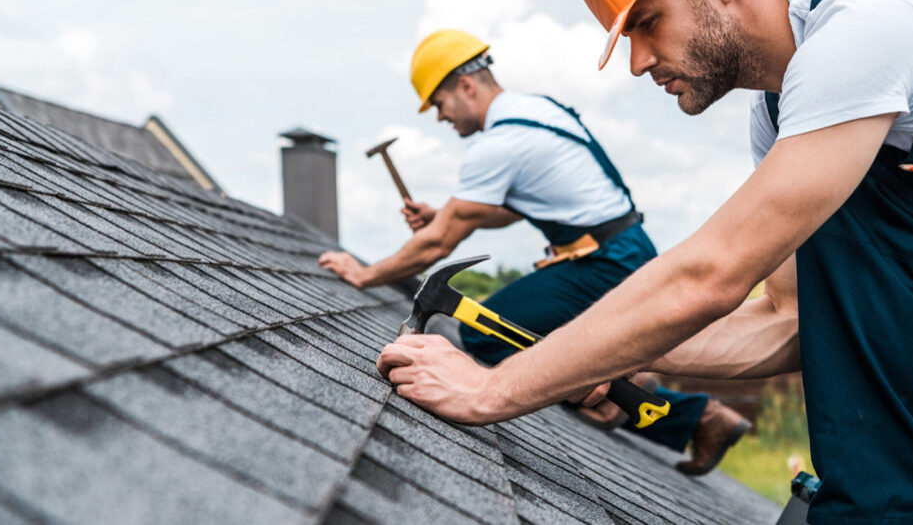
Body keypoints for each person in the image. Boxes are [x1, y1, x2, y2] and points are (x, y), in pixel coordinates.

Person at [375, 0, 913, 523]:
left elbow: (712, 274)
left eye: (647, 22)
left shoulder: (869, 17)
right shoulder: (794, 114)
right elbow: (789, 318)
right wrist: (617, 361)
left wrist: (499, 389)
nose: (640, 61)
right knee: (853, 203)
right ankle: (886, 515)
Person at [319, 28, 751, 475]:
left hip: (602, 262)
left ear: (465, 85)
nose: (441, 118)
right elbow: (506, 211)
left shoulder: (499, 142)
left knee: (485, 334)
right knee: (547, 341)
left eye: (440, 104)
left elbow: (438, 243)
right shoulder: (536, 111)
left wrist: (364, 273)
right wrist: (445, 214)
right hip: (619, 250)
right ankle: (654, 400)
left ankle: (647, 402)